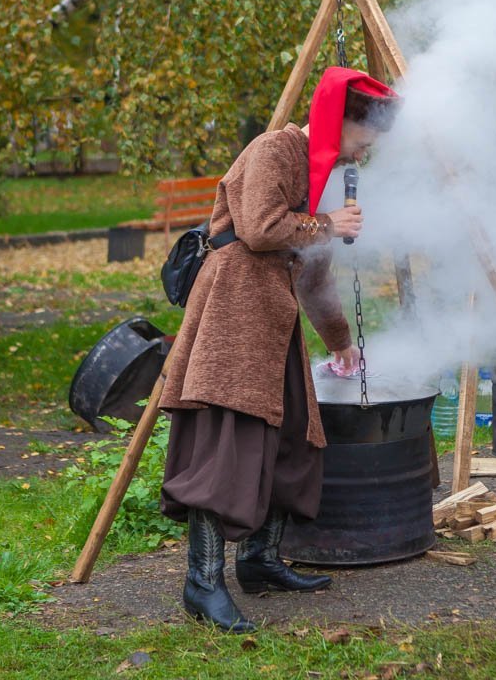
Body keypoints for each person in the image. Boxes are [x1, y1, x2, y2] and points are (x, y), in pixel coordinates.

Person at [157, 67, 401, 633]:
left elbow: (313, 277)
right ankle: (202, 582)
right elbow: (260, 228)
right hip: (234, 310)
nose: (367, 151)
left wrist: (341, 343)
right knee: (228, 443)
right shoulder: (275, 149)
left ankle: (259, 561)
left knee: (296, 435)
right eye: (365, 137)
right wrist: (327, 222)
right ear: (338, 119)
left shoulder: (326, 175)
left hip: (275, 319)